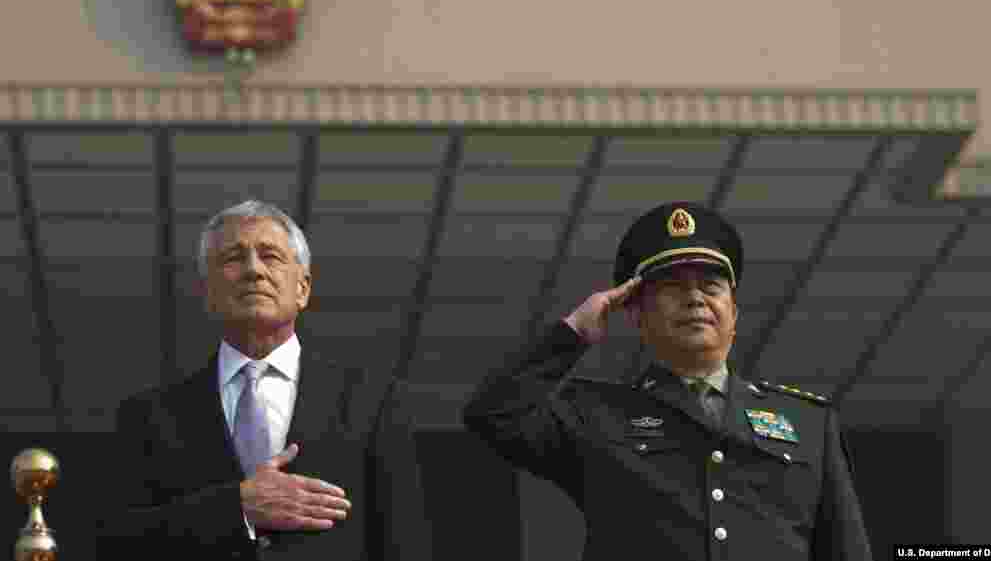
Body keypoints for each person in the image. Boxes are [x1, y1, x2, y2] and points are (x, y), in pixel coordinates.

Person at [463, 201, 873, 560]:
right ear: (636, 314)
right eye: (674, 288)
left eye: (711, 286)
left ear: (734, 314)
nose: (695, 298)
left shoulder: (808, 424)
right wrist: (573, 333)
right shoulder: (595, 415)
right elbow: (494, 413)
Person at [96, 200, 430, 560]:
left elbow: (404, 544)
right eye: (232, 259)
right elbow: (116, 544)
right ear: (207, 292)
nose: (253, 270)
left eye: (270, 256)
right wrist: (236, 509)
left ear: (302, 288)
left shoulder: (372, 401)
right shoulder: (148, 416)